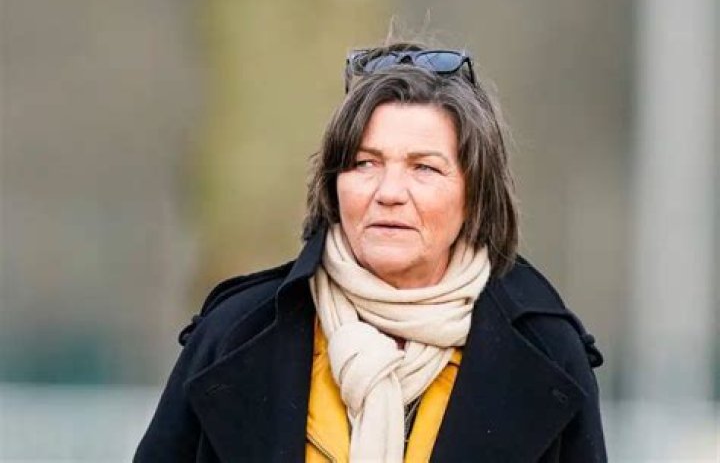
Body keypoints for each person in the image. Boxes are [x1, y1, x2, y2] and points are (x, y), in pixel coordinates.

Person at [135, 42, 607, 462]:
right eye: (365, 163)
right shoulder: (234, 336)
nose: (389, 192)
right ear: (333, 185)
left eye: (424, 168)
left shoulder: (548, 353)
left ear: (475, 194)